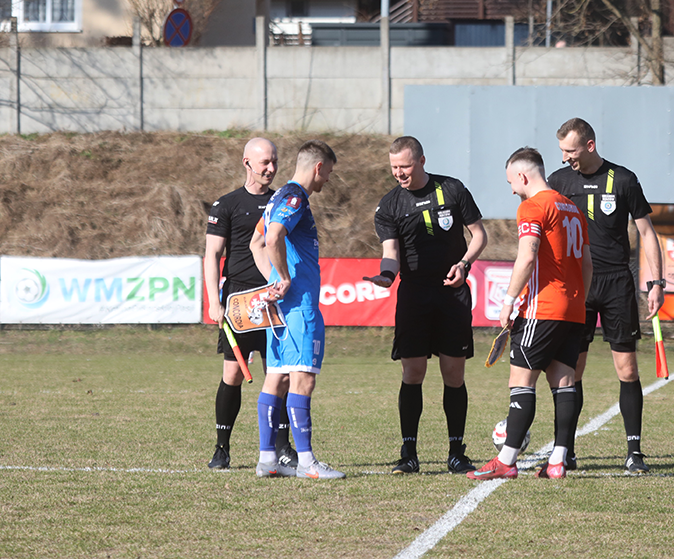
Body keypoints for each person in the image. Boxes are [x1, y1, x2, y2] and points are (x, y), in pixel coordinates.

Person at [547, 117, 664, 475]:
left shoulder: (624, 180)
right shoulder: (558, 181)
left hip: (616, 283)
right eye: (562, 151)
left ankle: (634, 452)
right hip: (575, 285)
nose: (566, 158)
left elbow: (647, 233)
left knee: (627, 369)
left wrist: (656, 283)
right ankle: (564, 450)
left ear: (590, 145)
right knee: (571, 370)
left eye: (571, 151)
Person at [365, 136, 488, 475]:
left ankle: (456, 452)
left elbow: (479, 235)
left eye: (404, 166)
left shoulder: (452, 189)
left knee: (453, 374)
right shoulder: (389, 204)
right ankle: (408, 453)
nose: (399, 173)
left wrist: (463, 264)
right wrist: (386, 277)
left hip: (453, 293)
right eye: (393, 167)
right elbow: (391, 253)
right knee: (413, 373)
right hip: (414, 295)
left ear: (421, 161)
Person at [468, 147, 591, 480]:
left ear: (523, 176)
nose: (511, 189)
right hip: (574, 308)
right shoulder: (572, 208)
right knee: (564, 382)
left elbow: (527, 256)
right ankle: (557, 462)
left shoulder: (533, 206)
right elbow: (587, 263)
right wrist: (578, 298)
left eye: (511, 181)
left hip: (542, 307)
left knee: (521, 381)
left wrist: (508, 300)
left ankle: (506, 461)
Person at [251, 140, 345, 479]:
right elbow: (273, 237)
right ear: (318, 167)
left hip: (280, 307)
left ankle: (267, 461)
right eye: (329, 174)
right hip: (299, 306)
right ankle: (307, 464)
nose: (328, 181)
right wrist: (286, 279)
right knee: (303, 378)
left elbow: (256, 241)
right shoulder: (294, 197)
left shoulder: (276, 197)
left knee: (275, 378)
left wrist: (273, 281)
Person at [204, 137, 297, 470]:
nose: (271, 168)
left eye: (274, 162)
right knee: (232, 374)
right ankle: (222, 447)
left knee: (280, 375)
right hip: (240, 300)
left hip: (274, 297)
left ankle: (284, 447)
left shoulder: (284, 202)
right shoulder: (226, 205)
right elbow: (212, 255)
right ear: (247, 163)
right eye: (264, 163)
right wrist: (215, 302)